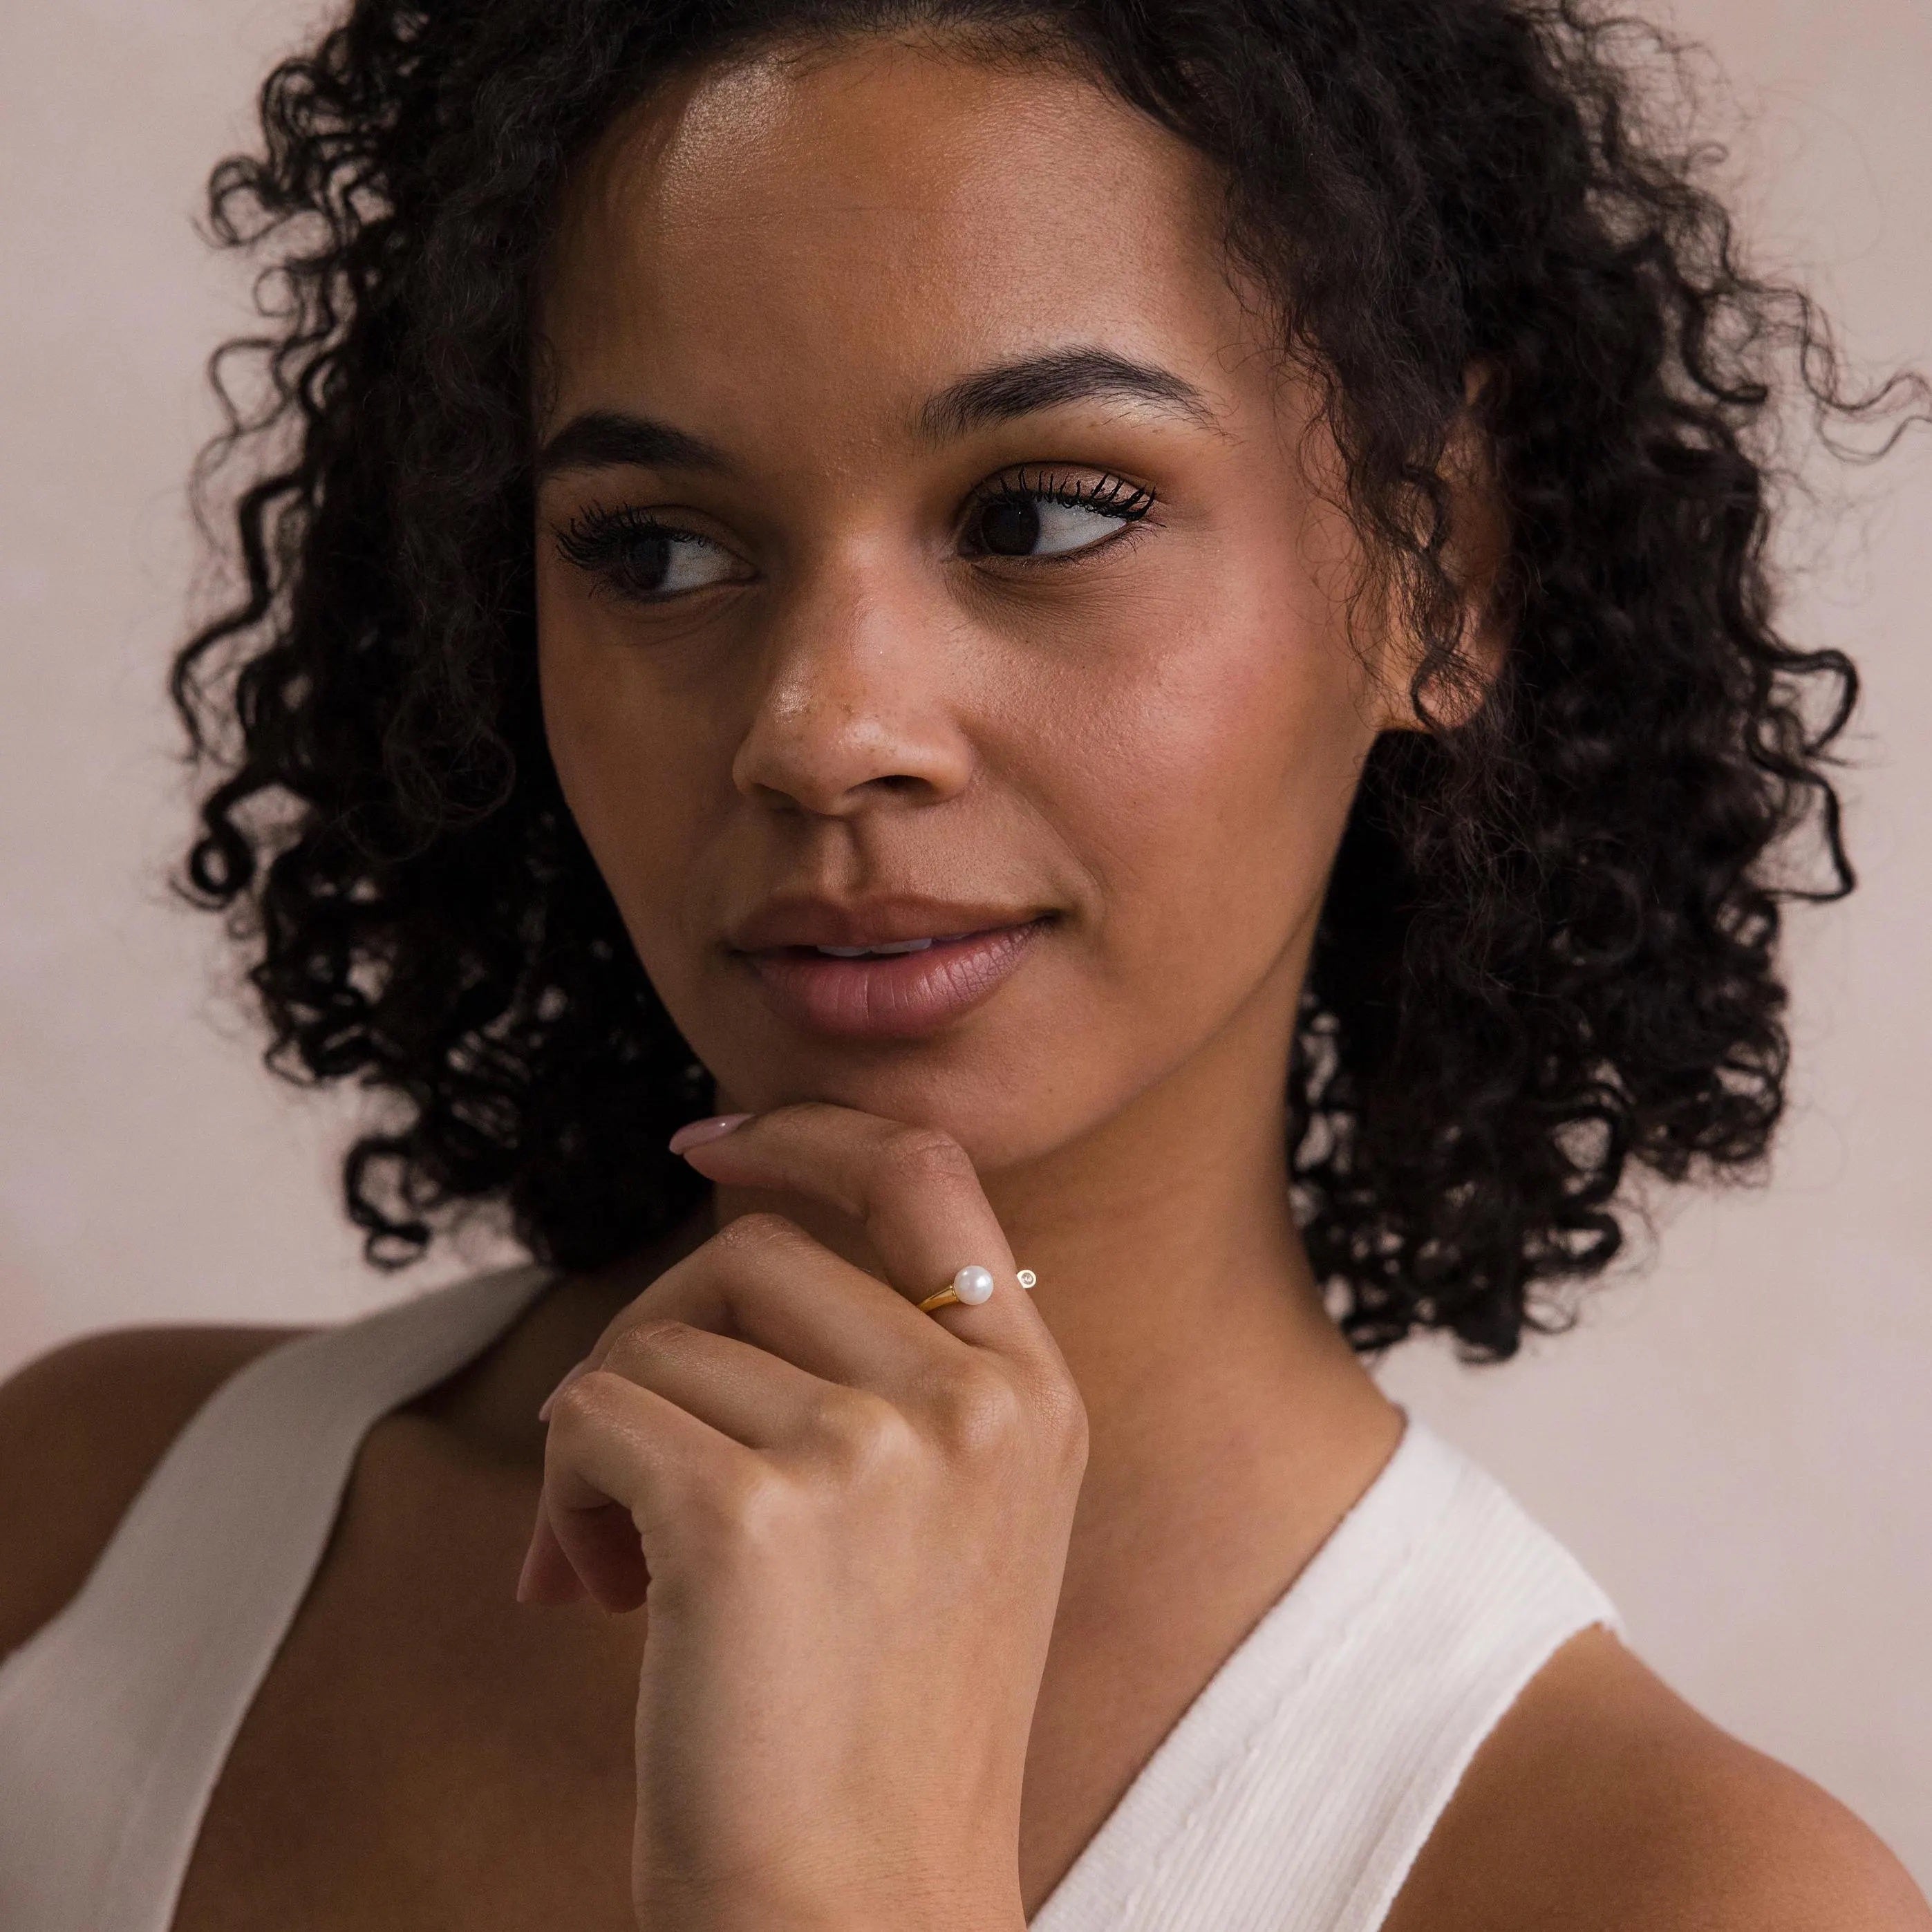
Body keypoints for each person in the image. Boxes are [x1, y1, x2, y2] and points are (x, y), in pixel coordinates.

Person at [0, 1, 1926, 1926]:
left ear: (1447, 563)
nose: (823, 727)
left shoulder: (1666, 1890)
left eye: (1040, 515)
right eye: (655, 551)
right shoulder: (85, 1531)